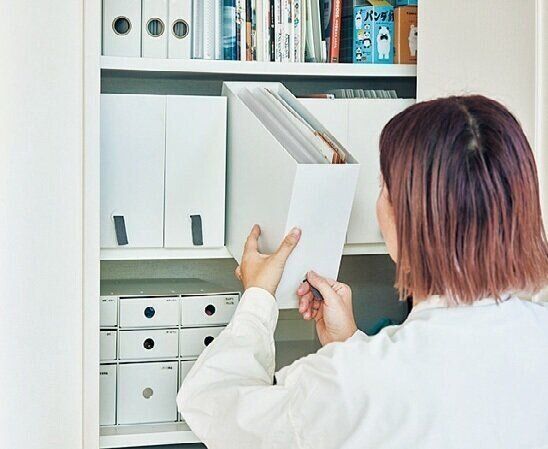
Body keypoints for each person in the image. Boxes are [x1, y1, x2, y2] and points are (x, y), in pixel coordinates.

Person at [177, 95, 548, 449]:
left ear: (403, 217)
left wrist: (257, 298)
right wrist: (350, 343)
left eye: (383, 186)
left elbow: (210, 403)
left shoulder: (349, 383)